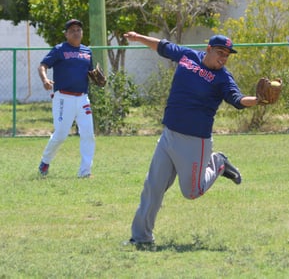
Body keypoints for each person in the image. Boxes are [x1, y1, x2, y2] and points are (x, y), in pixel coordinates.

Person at [123, 31, 260, 249]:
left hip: (196, 143)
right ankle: (141, 238)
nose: (223, 58)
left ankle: (218, 163)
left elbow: (237, 99)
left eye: (226, 55)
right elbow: (163, 47)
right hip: (169, 135)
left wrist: (257, 100)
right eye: (219, 53)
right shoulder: (188, 56)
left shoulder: (223, 77)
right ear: (208, 49)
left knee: (192, 192)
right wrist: (139, 37)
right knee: (153, 187)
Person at [37, 19, 95, 178]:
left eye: (79, 29)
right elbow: (43, 65)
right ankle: (45, 160)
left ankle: (85, 172)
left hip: (83, 98)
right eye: (72, 30)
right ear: (66, 34)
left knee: (88, 134)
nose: (76, 32)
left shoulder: (87, 52)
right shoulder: (59, 50)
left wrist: (97, 78)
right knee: (61, 134)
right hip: (63, 97)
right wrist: (45, 79)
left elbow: (91, 73)